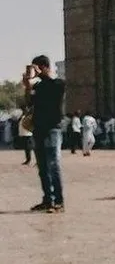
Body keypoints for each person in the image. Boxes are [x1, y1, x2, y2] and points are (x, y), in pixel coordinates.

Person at [24, 56, 65, 212]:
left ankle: (59, 202)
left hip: (52, 129)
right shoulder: (39, 87)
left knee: (53, 165)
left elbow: (56, 90)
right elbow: (28, 103)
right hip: (39, 129)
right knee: (42, 167)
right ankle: (48, 200)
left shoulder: (58, 84)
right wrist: (27, 86)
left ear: (45, 67)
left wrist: (42, 74)